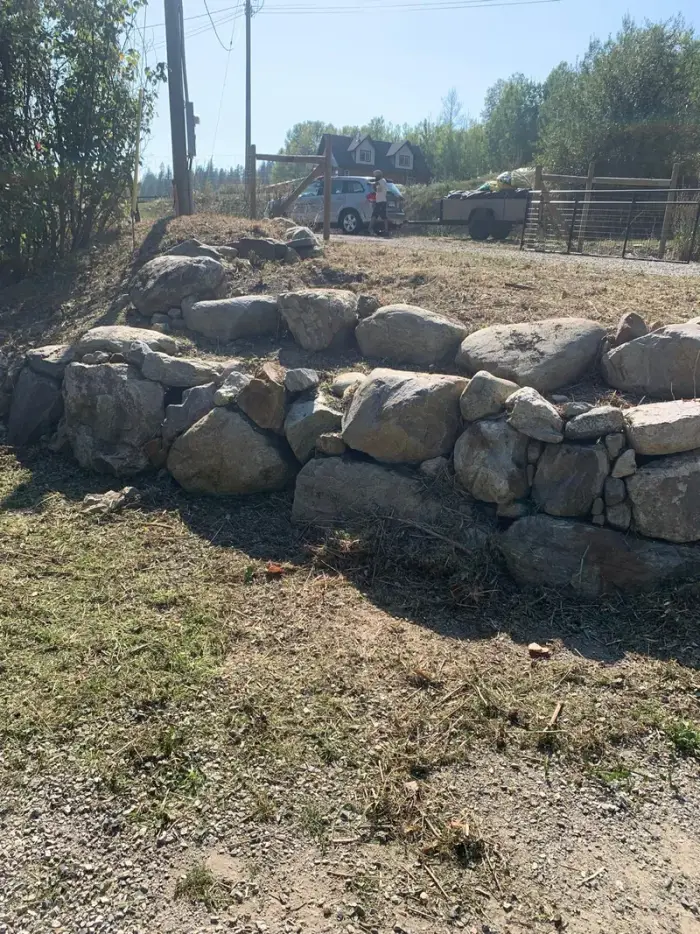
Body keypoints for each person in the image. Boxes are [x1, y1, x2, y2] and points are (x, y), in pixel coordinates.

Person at [370, 169, 389, 236]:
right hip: (379, 201)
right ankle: (371, 228)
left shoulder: (382, 181)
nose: (375, 177)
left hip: (382, 201)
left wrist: (371, 183)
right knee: (375, 215)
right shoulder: (381, 182)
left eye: (376, 176)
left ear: (379, 176)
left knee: (382, 216)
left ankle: (385, 231)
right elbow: (378, 190)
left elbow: (375, 185)